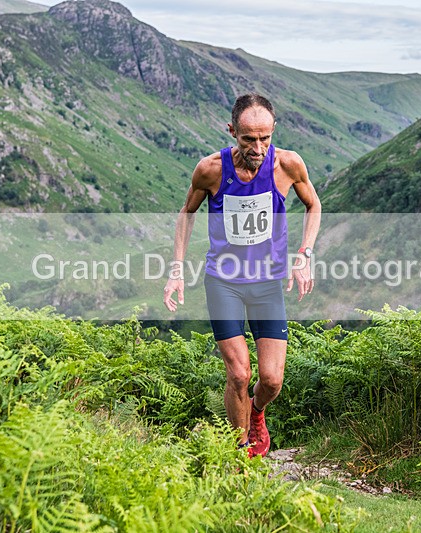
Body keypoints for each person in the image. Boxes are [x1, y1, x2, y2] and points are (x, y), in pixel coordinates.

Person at [163, 93, 321, 458]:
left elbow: (313, 204)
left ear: (273, 130)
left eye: (265, 137)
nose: (258, 147)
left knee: (272, 380)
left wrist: (305, 254)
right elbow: (186, 213)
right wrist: (176, 269)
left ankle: (256, 413)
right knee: (238, 374)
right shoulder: (210, 170)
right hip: (224, 282)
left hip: (267, 283)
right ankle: (239, 451)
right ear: (232, 131)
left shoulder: (288, 165)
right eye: (249, 139)